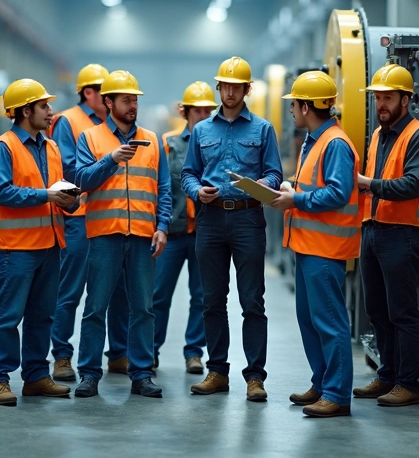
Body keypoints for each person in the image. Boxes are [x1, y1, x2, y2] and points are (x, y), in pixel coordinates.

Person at [181, 56, 282, 402]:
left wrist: (256, 185)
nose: (230, 92)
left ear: (246, 90)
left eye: (237, 87)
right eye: (225, 86)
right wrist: (197, 192)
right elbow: (188, 173)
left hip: (247, 219)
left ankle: (255, 377)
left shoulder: (263, 129)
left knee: (252, 301)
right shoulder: (201, 130)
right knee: (212, 300)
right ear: (218, 87)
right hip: (209, 220)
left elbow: (274, 174)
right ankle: (217, 371)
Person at [73, 71, 171, 399]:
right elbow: (83, 180)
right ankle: (89, 373)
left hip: (143, 235)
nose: (133, 106)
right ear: (108, 102)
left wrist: (162, 226)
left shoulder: (153, 140)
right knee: (96, 306)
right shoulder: (90, 138)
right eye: (126, 100)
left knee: (143, 307)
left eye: (135, 100)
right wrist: (111, 159)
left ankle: (141, 374)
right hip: (105, 234)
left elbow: (164, 188)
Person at [270, 72, 360, 418]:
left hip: (325, 250)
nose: (291, 110)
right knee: (309, 319)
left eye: (293, 104)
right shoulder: (315, 140)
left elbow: (337, 193)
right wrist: (291, 189)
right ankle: (322, 383)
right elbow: (316, 184)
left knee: (329, 322)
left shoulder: (334, 143)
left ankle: (337, 395)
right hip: (308, 246)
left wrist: (297, 200)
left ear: (306, 106)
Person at [0, 79, 77, 406]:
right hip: (17, 247)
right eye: (44, 106)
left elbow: (55, 188)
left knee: (42, 315)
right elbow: (1, 192)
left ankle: (36, 376)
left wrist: (68, 200)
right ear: (25, 111)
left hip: (49, 243)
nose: (51, 111)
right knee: (9, 315)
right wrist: (47, 195)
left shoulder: (50, 146)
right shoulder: (5, 146)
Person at [354, 64, 419, 407]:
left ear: (406, 99)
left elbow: (410, 185)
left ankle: (409, 384)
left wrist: (367, 184)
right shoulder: (378, 135)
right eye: (377, 98)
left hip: (402, 234)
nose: (381, 105)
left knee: (402, 312)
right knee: (377, 309)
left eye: (388, 98)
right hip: (373, 230)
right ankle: (387, 376)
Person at [48, 63, 131, 382]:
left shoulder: (113, 124)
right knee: (71, 290)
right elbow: (69, 169)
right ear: (88, 93)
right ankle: (62, 356)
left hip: (112, 219)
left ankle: (119, 353)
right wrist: (105, 165)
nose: (111, 99)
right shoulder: (69, 121)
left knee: (118, 290)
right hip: (80, 217)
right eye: (105, 93)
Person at [153, 82, 215, 375]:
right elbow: (161, 187)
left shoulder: (218, 143)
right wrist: (160, 225)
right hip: (174, 231)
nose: (203, 115)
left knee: (201, 296)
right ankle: (149, 350)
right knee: (158, 294)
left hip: (206, 232)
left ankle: (194, 353)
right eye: (197, 110)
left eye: (207, 110)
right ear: (184, 111)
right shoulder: (169, 143)